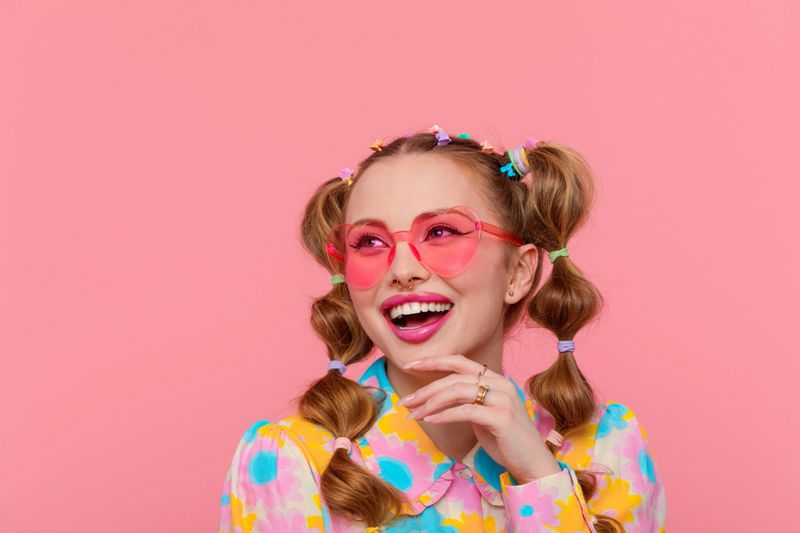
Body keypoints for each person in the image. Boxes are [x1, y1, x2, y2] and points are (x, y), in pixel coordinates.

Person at [218, 125, 667, 532]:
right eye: (370, 242)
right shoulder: (290, 458)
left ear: (518, 274)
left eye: (440, 233)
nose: (403, 269)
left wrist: (540, 477)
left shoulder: (606, 449)